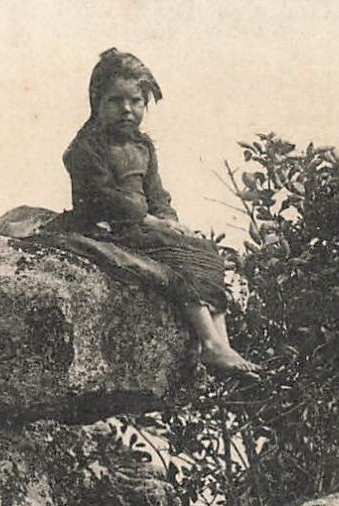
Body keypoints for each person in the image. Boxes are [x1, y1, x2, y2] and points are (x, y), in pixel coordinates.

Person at [52, 49, 259, 375]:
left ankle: (223, 343)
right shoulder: (86, 148)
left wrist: (169, 221)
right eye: (115, 101)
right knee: (174, 262)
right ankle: (209, 342)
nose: (127, 110)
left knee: (204, 251)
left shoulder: (143, 147)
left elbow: (157, 194)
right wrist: (147, 220)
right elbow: (103, 197)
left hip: (142, 224)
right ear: (97, 101)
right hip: (106, 226)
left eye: (136, 101)